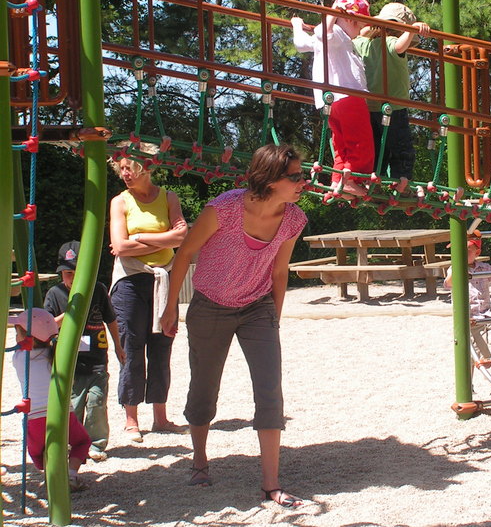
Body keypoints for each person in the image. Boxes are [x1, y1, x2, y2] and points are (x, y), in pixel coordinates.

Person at [161, 143, 308, 507]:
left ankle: (271, 483)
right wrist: (169, 309)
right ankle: (199, 461)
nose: (303, 181)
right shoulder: (225, 208)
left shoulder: (293, 219)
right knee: (205, 385)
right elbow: (185, 255)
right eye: (296, 176)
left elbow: (278, 270)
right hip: (210, 305)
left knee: (270, 389)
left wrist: (274, 317)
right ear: (272, 179)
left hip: (257, 308)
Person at [108, 145, 188, 442]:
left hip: (163, 279)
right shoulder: (120, 201)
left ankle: (161, 416)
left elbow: (182, 237)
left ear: (147, 168)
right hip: (130, 281)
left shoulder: (168, 198)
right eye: (122, 169)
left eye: (131, 168)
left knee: (162, 345)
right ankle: (131, 420)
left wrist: (139, 237)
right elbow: (120, 246)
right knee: (131, 349)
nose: (125, 174)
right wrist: (162, 240)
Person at [44, 241, 126, 462]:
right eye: (67, 273)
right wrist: (70, 310)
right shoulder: (55, 293)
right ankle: (76, 444)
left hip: (98, 358)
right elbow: (48, 325)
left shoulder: (98, 290)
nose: (71, 278)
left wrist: (119, 346)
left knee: (97, 401)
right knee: (75, 404)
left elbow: (111, 319)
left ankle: (97, 444)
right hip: (70, 362)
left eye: (76, 272)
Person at [291, 0, 374, 197]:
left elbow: (302, 44)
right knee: (361, 141)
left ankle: (338, 180)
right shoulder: (336, 33)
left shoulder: (333, 36)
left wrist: (296, 25)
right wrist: (332, 14)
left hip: (330, 102)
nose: (360, 30)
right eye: (359, 25)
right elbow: (323, 35)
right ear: (348, 19)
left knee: (342, 143)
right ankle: (352, 178)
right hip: (348, 96)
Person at [8, 308, 91, 491]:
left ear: (24, 337)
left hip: (35, 418)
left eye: (17, 333)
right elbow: (84, 344)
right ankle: (70, 474)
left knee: (37, 453)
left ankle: (51, 474)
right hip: (63, 414)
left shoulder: (19, 358)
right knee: (82, 442)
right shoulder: (58, 353)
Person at [353, 2, 431, 194]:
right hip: (394, 106)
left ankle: (374, 181)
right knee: (401, 148)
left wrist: (365, 31)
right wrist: (411, 31)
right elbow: (399, 46)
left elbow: (355, 39)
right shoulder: (391, 42)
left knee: (378, 148)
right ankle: (402, 182)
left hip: (370, 106)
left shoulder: (364, 44)